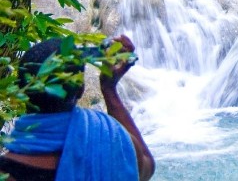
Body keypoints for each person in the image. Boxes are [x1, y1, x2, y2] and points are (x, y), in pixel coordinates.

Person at [0, 35, 155, 181]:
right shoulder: (114, 141)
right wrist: (109, 89)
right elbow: (146, 164)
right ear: (81, 89)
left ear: (21, 90)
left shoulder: (5, 173)